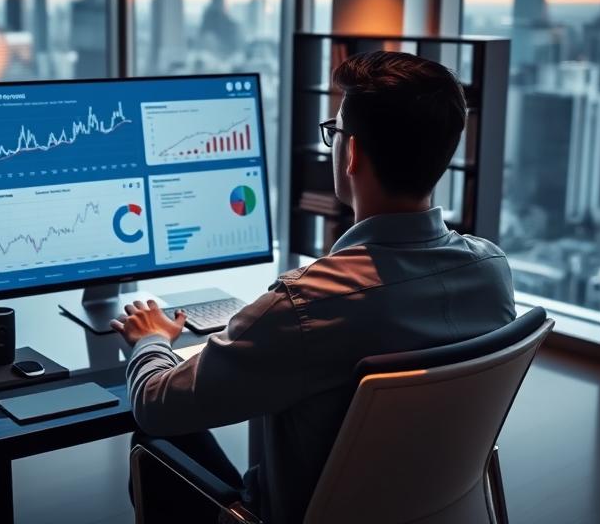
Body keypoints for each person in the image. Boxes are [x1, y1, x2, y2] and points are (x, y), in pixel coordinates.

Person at [111, 51, 516, 523]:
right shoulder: (491, 269)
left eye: (335, 131)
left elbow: (155, 405)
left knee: (156, 442)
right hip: (438, 509)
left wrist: (151, 340)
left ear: (352, 152)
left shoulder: (304, 306)